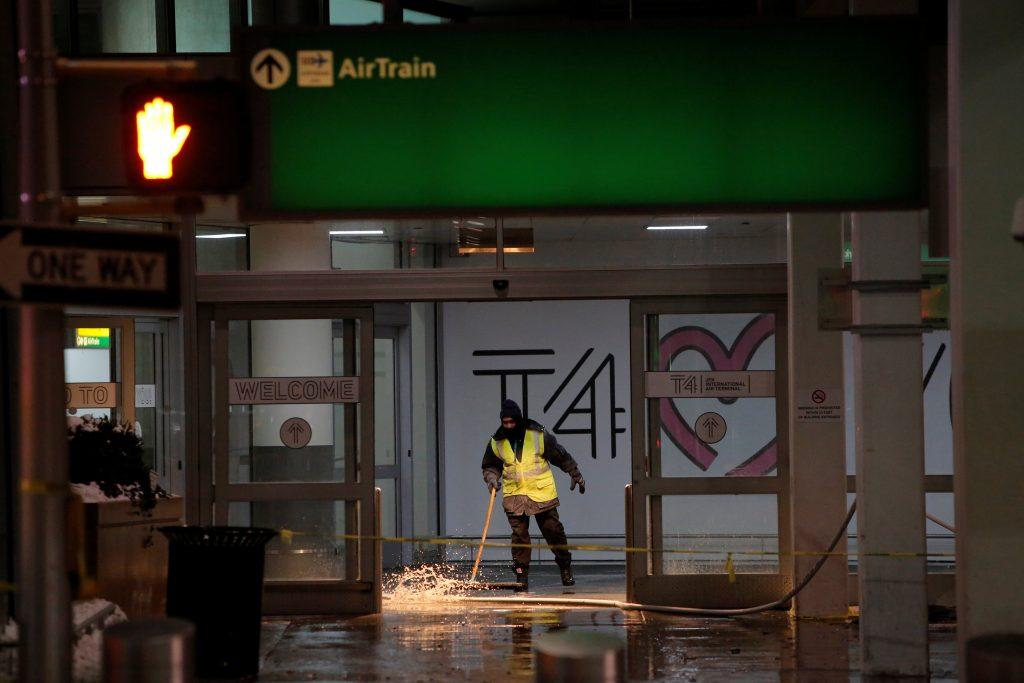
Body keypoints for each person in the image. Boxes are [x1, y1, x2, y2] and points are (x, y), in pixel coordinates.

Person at [481, 399, 585, 592]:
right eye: (506, 422)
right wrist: (492, 478)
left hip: (541, 493)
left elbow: (560, 455)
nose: (509, 426)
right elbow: (490, 465)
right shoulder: (497, 441)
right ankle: (521, 576)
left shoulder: (538, 435)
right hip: (514, 496)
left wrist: (575, 473)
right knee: (519, 536)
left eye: (512, 422)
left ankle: (565, 567)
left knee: (553, 531)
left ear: (519, 419)